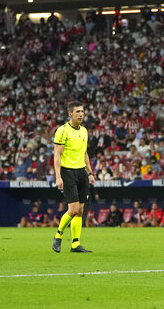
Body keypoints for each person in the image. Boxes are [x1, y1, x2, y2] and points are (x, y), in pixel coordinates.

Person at [52, 101, 95, 253]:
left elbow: (84, 153)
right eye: (77, 112)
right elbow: (57, 154)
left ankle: (75, 244)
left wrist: (89, 173)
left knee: (81, 210)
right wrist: (58, 177)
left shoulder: (84, 131)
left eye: (82, 111)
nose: (81, 114)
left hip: (81, 172)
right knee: (73, 209)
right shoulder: (62, 131)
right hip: (67, 172)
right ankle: (58, 235)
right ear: (70, 114)